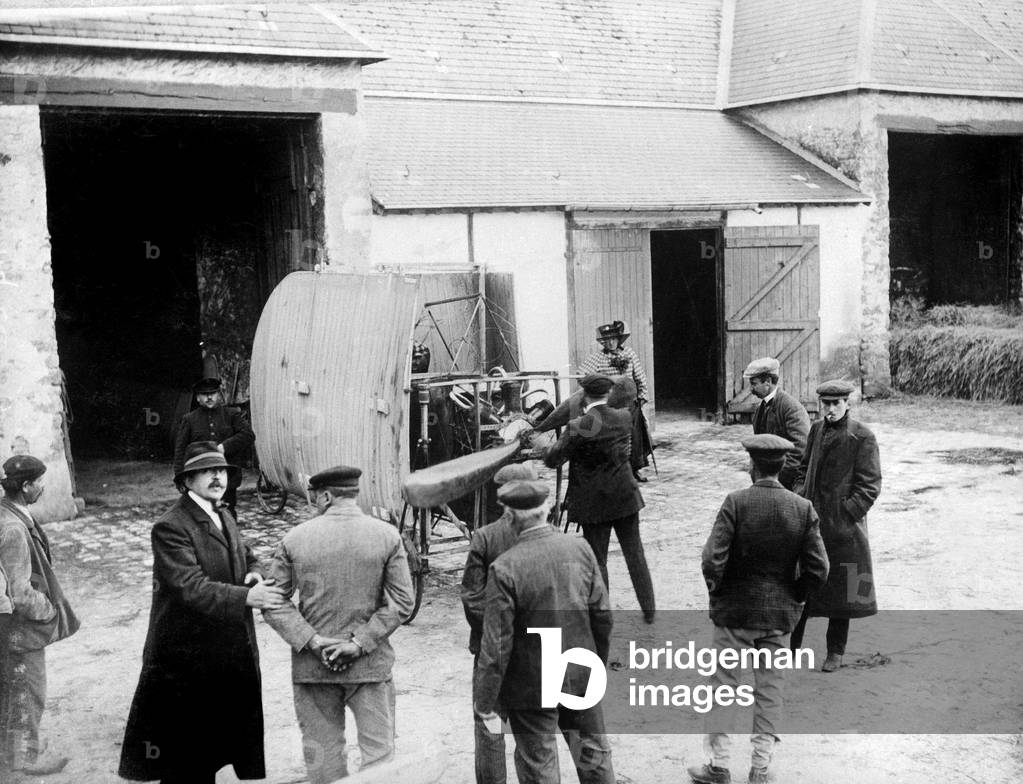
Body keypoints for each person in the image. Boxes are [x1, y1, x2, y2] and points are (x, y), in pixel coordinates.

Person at [120, 441, 286, 784]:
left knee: (212, 747)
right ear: (187, 481)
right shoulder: (171, 526)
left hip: (223, 650)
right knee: (185, 758)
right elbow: (189, 587)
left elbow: (245, 551)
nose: (217, 477)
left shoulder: (223, 512)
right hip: (186, 658)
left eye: (222, 470)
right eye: (207, 471)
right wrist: (246, 598)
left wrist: (253, 570)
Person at [688, 435, 829, 784]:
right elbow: (819, 569)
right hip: (778, 618)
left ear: (752, 465)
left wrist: (719, 591)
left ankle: (719, 766)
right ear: (782, 466)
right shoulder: (803, 508)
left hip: (734, 614)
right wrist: (794, 596)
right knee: (769, 692)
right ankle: (760, 769)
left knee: (722, 687)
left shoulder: (735, 503)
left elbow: (711, 559)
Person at [263, 465, 415, 784]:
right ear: (354, 494)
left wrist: (312, 640)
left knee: (324, 760)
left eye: (316, 496)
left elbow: (273, 600)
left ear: (327, 496)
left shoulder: (294, 538)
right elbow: (403, 602)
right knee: (379, 759)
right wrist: (359, 643)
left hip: (313, 668)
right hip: (369, 667)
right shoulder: (387, 536)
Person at [475, 479, 615, 784]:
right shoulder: (579, 547)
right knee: (588, 751)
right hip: (580, 674)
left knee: (540, 761)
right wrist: (595, 664)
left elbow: (496, 647)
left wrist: (485, 701)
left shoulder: (505, 568)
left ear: (510, 518)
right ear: (547, 510)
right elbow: (602, 615)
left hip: (532, 687)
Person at [543, 373, 656, 623]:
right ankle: (649, 611)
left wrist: (543, 447)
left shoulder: (580, 425)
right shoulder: (624, 418)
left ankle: (603, 616)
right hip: (625, 497)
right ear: (607, 393)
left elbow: (554, 458)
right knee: (635, 554)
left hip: (594, 503)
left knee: (598, 559)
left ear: (584, 395)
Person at [791, 379, 882, 673]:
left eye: (835, 404)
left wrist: (846, 514)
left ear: (847, 404)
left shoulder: (862, 437)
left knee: (842, 593)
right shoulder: (816, 430)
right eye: (825, 404)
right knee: (801, 586)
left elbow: (869, 485)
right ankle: (791, 650)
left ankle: (835, 652)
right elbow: (803, 468)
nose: (829, 410)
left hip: (843, 531)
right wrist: (799, 496)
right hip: (812, 523)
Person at [460, 462, 539, 784]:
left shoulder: (485, 538)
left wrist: (498, 630)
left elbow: (472, 597)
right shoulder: (552, 539)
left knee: (490, 724)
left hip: (492, 651)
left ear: (500, 499)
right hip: (537, 650)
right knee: (534, 730)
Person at [0, 454, 78, 776]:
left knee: (10, 688)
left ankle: (12, 752)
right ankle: (25, 759)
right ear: (27, 486)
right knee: (27, 691)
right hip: (21, 627)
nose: (42, 489)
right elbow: (19, 592)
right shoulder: (15, 529)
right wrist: (47, 610)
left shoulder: (6, 512)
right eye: (39, 483)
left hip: (7, 625)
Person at [577, 321, 653, 481]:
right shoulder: (598, 357)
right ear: (603, 341)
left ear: (619, 339)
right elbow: (581, 374)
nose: (611, 342)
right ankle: (614, 471)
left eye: (614, 339)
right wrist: (602, 382)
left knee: (634, 437)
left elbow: (640, 378)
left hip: (631, 403)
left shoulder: (630, 354)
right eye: (607, 339)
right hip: (611, 405)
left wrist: (642, 398)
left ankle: (634, 470)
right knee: (614, 438)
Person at [173, 376, 254, 515]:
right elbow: (180, 451)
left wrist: (224, 447)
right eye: (204, 394)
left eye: (213, 393)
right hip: (200, 478)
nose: (209, 397)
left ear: (218, 395)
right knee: (202, 514)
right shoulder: (190, 420)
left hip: (226, 476)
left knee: (227, 512)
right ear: (198, 398)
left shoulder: (231, 414)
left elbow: (248, 434)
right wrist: (180, 478)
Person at [743, 357, 810, 490]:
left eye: (754, 384)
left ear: (768, 382)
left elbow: (799, 450)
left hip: (787, 484)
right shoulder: (760, 410)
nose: (750, 389)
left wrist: (773, 478)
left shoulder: (791, 408)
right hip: (767, 482)